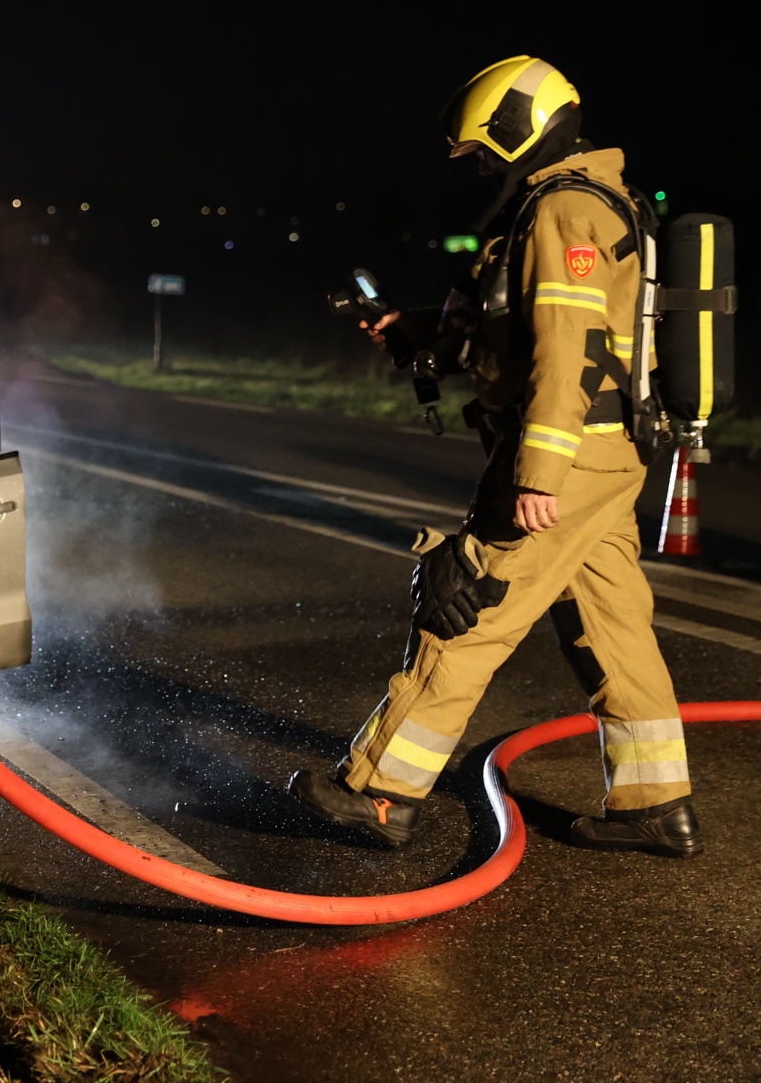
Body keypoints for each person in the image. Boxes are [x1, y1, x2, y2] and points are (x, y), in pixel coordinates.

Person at [289, 56, 702, 857]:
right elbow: (515, 329)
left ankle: (379, 793)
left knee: (464, 608)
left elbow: (566, 349)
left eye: (484, 149)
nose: (481, 165)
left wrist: (537, 474)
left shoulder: (561, 212)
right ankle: (656, 804)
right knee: (611, 628)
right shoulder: (592, 201)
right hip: (609, 455)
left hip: (567, 458)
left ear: (518, 128)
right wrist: (418, 332)